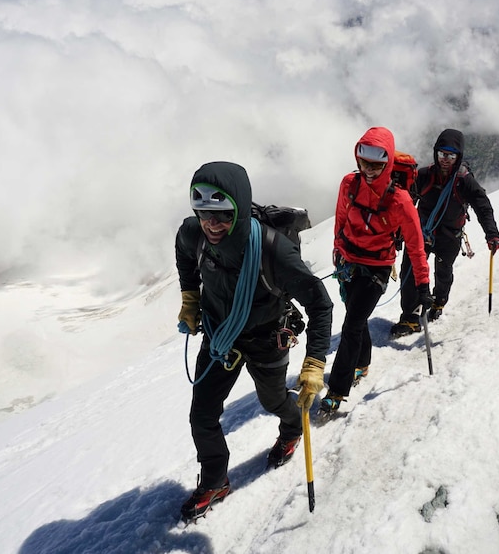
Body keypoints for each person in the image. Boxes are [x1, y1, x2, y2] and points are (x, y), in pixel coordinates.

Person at [174, 161, 333, 522]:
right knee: (202, 414)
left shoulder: (274, 252)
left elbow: (320, 304)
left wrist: (314, 363)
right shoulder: (193, 234)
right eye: (204, 214)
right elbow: (184, 255)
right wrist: (190, 297)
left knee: (273, 399)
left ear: (240, 210)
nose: (211, 225)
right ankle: (215, 479)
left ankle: (292, 426)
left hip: (266, 337)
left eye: (222, 216)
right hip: (220, 336)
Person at [321, 127, 432, 414]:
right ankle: (362, 362)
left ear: (388, 164)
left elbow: (416, 247)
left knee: (352, 324)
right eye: (364, 163)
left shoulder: (401, 201)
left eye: (376, 165)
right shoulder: (349, 184)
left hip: (377, 269)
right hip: (349, 262)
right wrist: (337, 247)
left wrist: (423, 286)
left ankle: (337, 389)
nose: (368, 170)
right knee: (355, 318)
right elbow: (342, 219)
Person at [390, 128, 499, 337]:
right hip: (422, 232)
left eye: (451, 155)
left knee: (443, 271)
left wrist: (491, 234)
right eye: (442, 154)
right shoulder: (424, 176)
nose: (446, 160)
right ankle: (410, 317)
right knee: (410, 271)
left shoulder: (464, 181)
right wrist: (397, 230)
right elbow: (404, 201)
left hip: (449, 236)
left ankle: (438, 302)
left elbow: (482, 205)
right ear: (436, 153)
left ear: (458, 157)